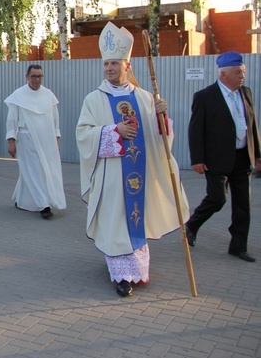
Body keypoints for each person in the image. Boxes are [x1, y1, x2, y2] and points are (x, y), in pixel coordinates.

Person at [76, 22, 188, 297]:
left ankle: (136, 270)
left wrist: (162, 116)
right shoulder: (94, 99)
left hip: (140, 173)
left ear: (127, 65)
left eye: (115, 63)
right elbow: (83, 134)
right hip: (112, 175)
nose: (110, 68)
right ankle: (121, 276)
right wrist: (114, 131)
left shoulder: (146, 97)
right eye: (106, 64)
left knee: (135, 218)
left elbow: (160, 138)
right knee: (116, 221)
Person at [184, 51, 261, 263]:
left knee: (243, 205)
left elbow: (252, 125)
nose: (242, 76)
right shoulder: (205, 96)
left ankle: (238, 247)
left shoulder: (246, 93)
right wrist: (197, 158)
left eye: (243, 72)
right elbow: (195, 129)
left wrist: (258, 154)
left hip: (242, 158)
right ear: (224, 74)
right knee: (218, 199)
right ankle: (191, 225)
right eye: (238, 72)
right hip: (216, 159)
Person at [4, 64, 66, 219]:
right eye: (34, 76)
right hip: (27, 138)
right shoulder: (18, 96)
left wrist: (56, 138)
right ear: (27, 77)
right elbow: (11, 120)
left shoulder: (48, 95)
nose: (37, 80)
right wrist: (11, 141)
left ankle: (21, 200)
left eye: (39, 76)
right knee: (33, 171)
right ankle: (43, 205)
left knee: (42, 171)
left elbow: (55, 119)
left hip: (47, 139)